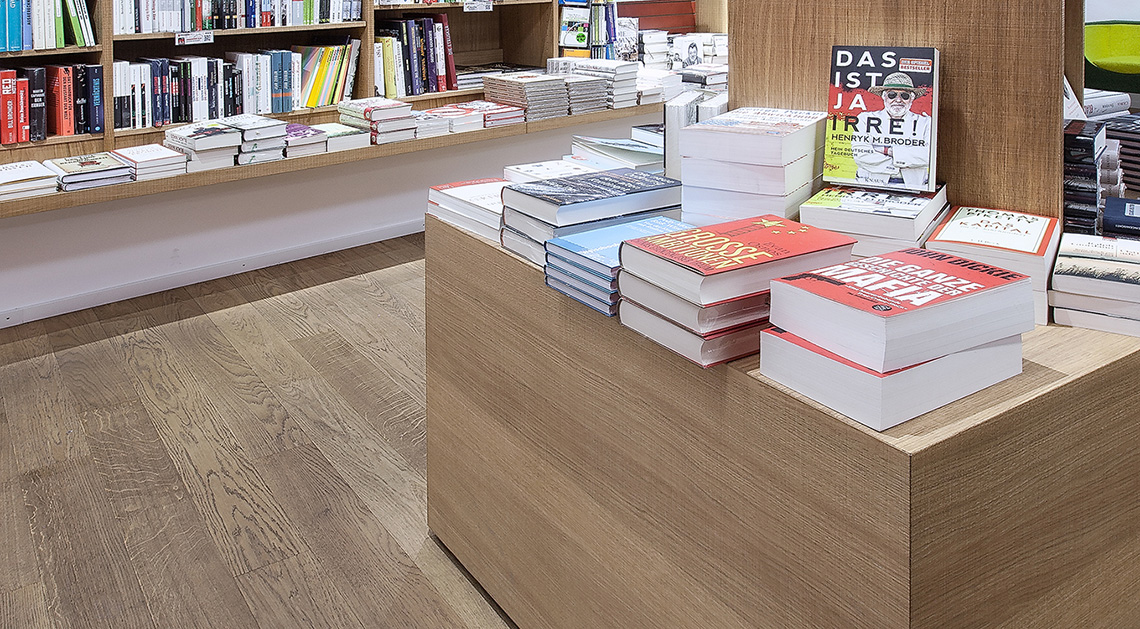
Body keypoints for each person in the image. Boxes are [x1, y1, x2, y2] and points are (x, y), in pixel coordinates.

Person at [851, 72, 933, 189]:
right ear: (884, 97)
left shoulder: (925, 122)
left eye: (904, 96)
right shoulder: (865, 119)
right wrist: (899, 165)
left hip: (914, 186)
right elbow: (861, 155)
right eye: (892, 95)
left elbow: (929, 156)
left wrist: (888, 151)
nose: (898, 100)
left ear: (911, 99)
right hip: (871, 185)